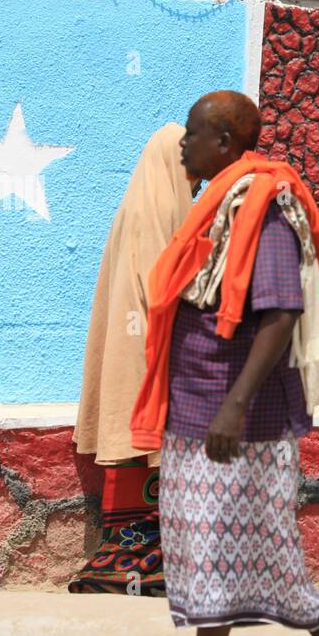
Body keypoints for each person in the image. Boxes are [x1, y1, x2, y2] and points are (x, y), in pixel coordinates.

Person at [119, 91, 319, 636]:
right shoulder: (222, 206)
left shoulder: (258, 209)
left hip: (234, 421)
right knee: (256, 545)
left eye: (191, 133)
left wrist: (233, 407)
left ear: (223, 142)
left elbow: (281, 313)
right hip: (204, 412)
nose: (181, 144)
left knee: (216, 545)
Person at [71, 123, 196, 597]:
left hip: (132, 351)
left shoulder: (134, 206)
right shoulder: (162, 211)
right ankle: (148, 565)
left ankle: (119, 560)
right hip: (151, 350)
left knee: (135, 442)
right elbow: (164, 291)